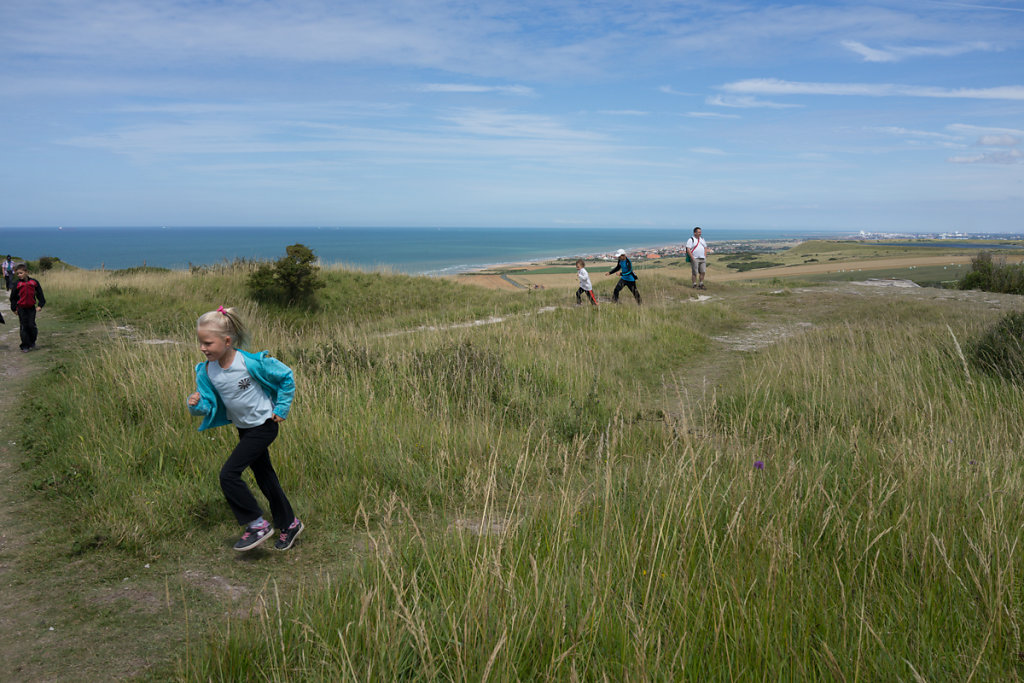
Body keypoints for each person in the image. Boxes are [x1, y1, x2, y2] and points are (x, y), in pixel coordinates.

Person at [186, 306, 304, 552]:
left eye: (208, 342)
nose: (202, 348)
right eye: (200, 343)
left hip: (264, 425)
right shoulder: (208, 372)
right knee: (265, 477)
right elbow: (208, 404)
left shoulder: (249, 362)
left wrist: (281, 408)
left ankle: (257, 524)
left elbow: (286, 376)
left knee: (228, 474)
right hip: (244, 429)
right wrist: (196, 404)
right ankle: (290, 524)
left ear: (227, 341)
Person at [9, 264, 44, 352]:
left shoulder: (34, 282)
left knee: (31, 325)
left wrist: (40, 305)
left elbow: (40, 294)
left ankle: (32, 342)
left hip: (31, 308)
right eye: (18, 274)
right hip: (21, 308)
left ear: (26, 272)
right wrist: (14, 309)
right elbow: (13, 298)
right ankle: (25, 345)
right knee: (24, 326)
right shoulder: (17, 284)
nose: (19, 275)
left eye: (21, 273)